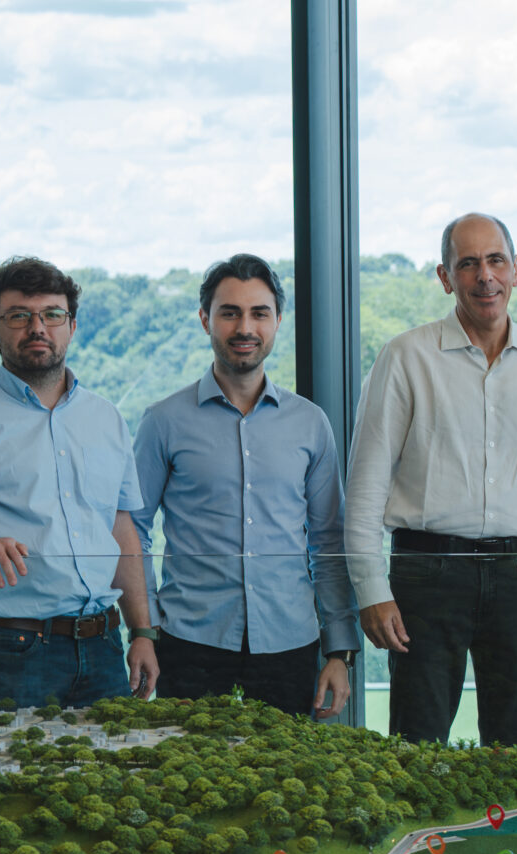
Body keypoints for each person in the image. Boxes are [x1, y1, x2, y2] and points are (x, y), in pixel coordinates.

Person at [345, 213, 517, 747]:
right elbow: (365, 486)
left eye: (496, 261)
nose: (485, 276)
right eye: (468, 264)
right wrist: (371, 588)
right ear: (445, 277)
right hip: (425, 572)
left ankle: (505, 835)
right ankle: (422, 837)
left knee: (514, 751)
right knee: (417, 745)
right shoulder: (406, 357)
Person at [0, 256, 158, 710]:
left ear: (72, 326)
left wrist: (141, 631)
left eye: (52, 315)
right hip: (8, 650)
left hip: (104, 645)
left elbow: (122, 531)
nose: (37, 327)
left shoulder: (107, 418)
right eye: (19, 316)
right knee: (8, 779)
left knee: (112, 779)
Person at [132, 255, 360, 717]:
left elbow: (328, 541)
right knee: (188, 781)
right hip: (189, 640)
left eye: (259, 313)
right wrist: (144, 629)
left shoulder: (310, 424)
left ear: (277, 320)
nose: (245, 327)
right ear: (205, 320)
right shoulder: (163, 421)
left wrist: (339, 652)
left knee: (286, 780)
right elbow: (132, 530)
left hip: (290, 642)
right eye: (229, 312)